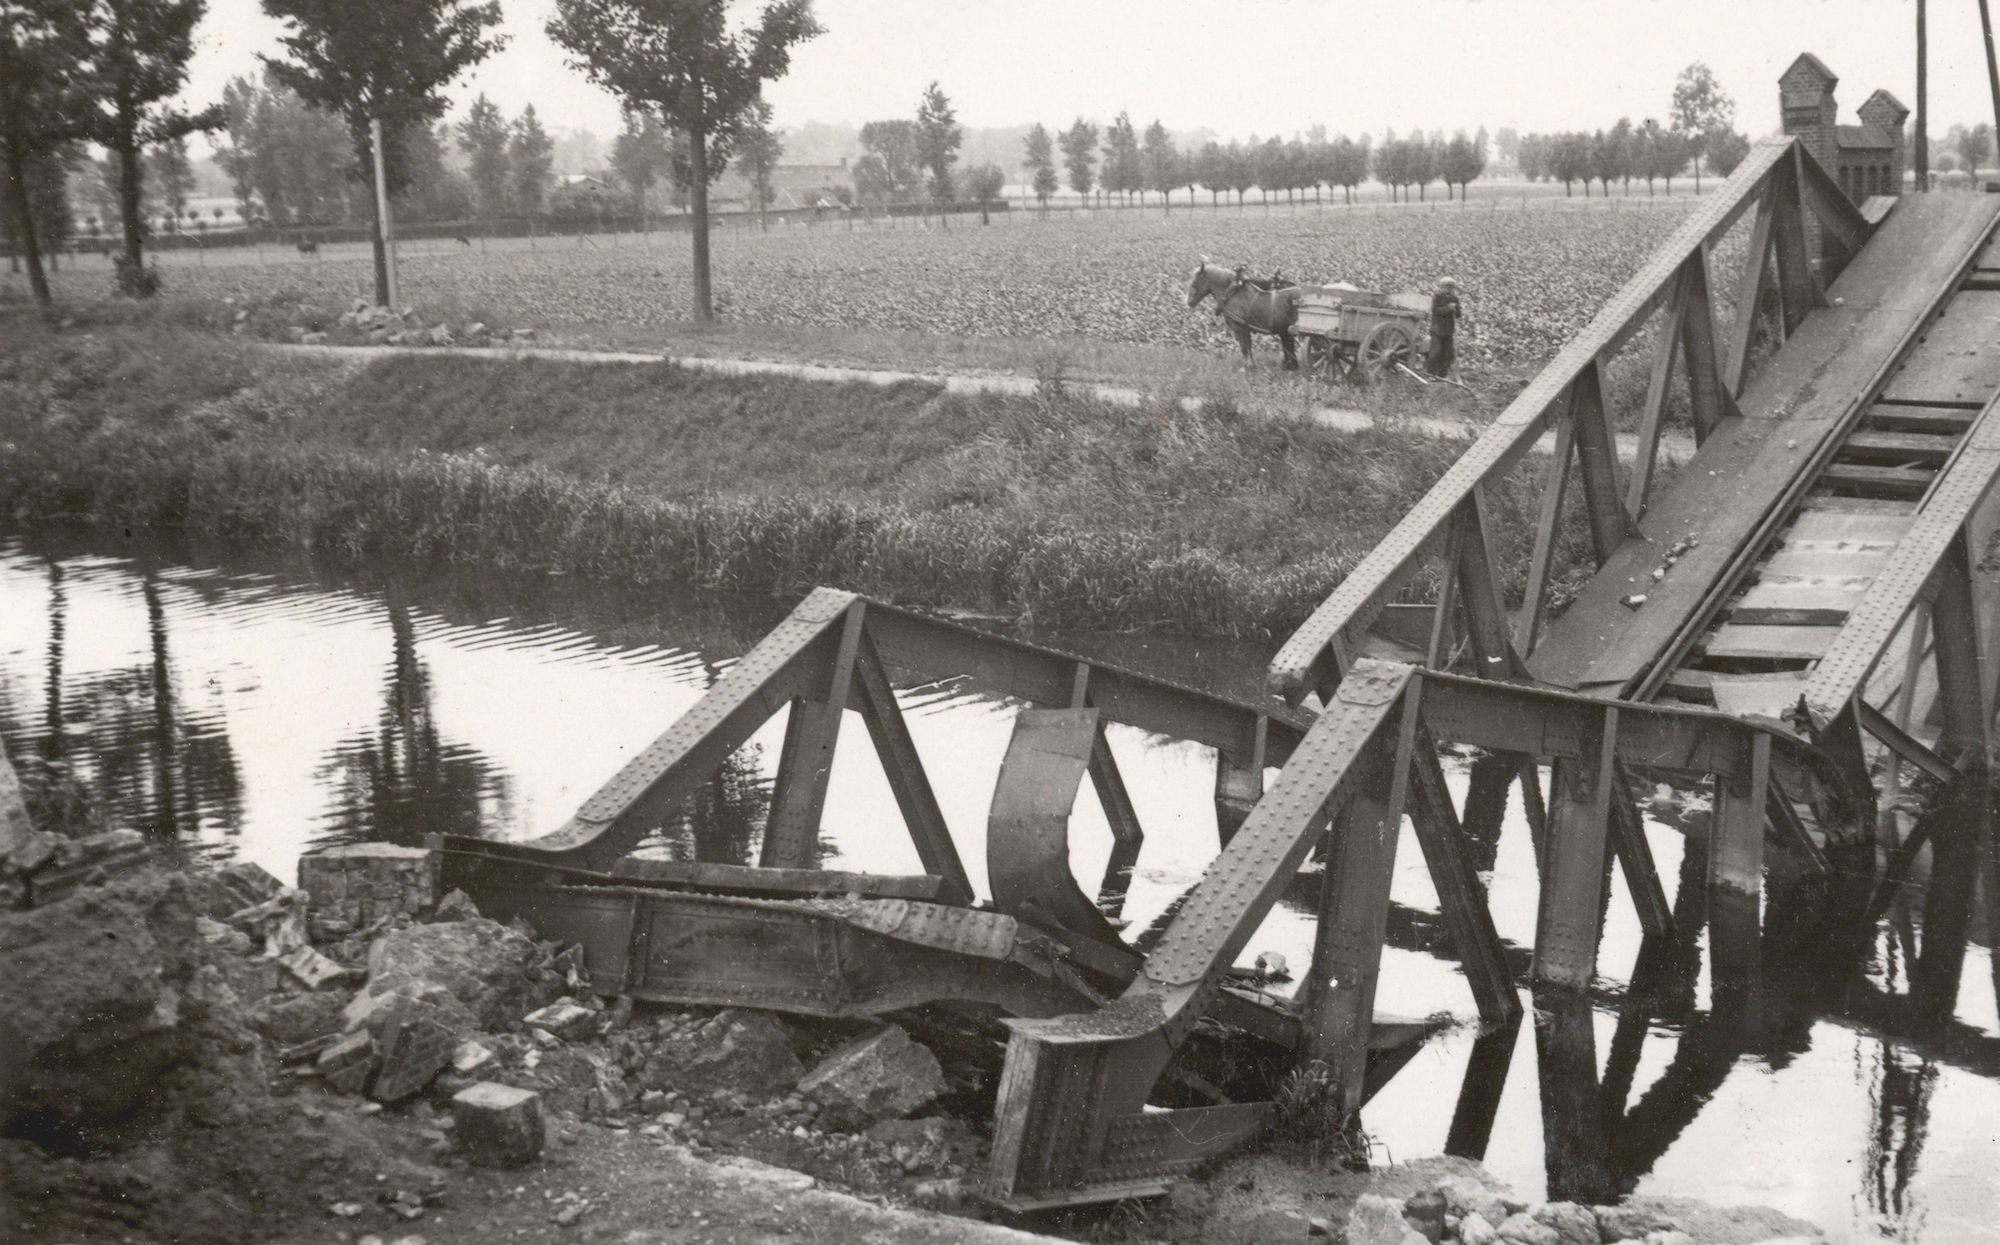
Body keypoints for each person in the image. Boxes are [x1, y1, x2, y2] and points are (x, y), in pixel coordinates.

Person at [1426, 277, 1463, 378]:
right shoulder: (1437, 296)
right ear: (1442, 287)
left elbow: (1458, 315)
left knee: (1447, 353)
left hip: (1448, 330)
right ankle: (1430, 374)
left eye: (1451, 288)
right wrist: (1448, 308)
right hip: (1437, 329)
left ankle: (1442, 375)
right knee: (1435, 352)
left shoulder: (1454, 298)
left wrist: (1456, 310)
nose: (1449, 290)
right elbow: (1435, 311)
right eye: (1447, 287)